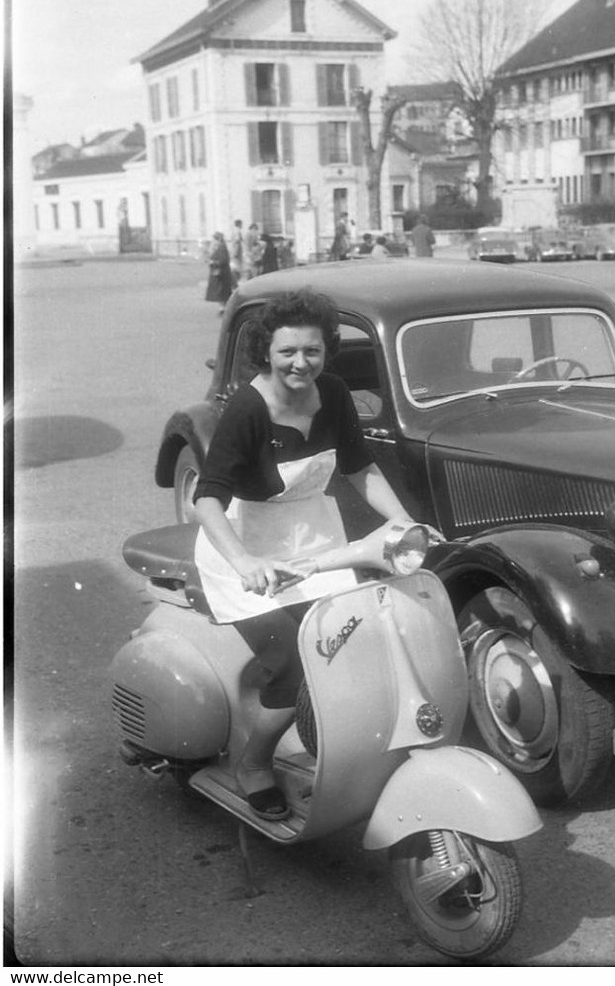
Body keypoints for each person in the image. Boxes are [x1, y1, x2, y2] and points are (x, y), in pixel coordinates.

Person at [193, 289, 417, 820]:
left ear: (327, 351)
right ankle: (254, 764)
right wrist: (246, 563)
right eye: (288, 352)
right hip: (246, 547)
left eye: (312, 352)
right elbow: (207, 499)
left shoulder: (334, 393)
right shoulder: (248, 409)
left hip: (316, 540)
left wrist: (402, 521)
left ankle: (339, 747)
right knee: (294, 662)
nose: (300, 363)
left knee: (356, 641)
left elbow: (361, 467)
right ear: (266, 352)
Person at [205, 232, 233, 311]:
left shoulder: (222, 248)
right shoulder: (219, 247)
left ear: (218, 240)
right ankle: (223, 308)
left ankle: (223, 308)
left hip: (221, 274)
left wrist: (212, 262)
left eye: (214, 240)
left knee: (221, 291)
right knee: (222, 292)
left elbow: (223, 260)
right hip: (220, 273)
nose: (213, 241)